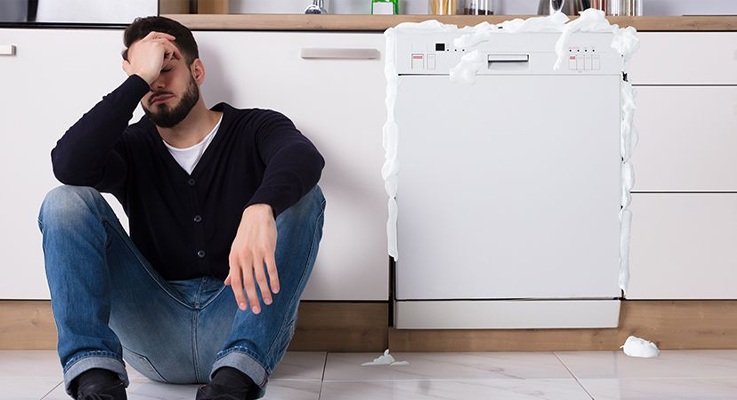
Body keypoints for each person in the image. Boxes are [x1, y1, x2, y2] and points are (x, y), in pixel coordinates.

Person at [38, 16, 325, 400]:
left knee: (304, 196)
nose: (156, 83)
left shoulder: (254, 127)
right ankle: (96, 382)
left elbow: (303, 157)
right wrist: (136, 81)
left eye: (166, 67)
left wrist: (261, 207)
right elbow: (69, 165)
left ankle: (235, 383)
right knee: (64, 201)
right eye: (147, 73)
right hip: (153, 330)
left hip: (240, 322)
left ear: (197, 71)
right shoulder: (130, 146)